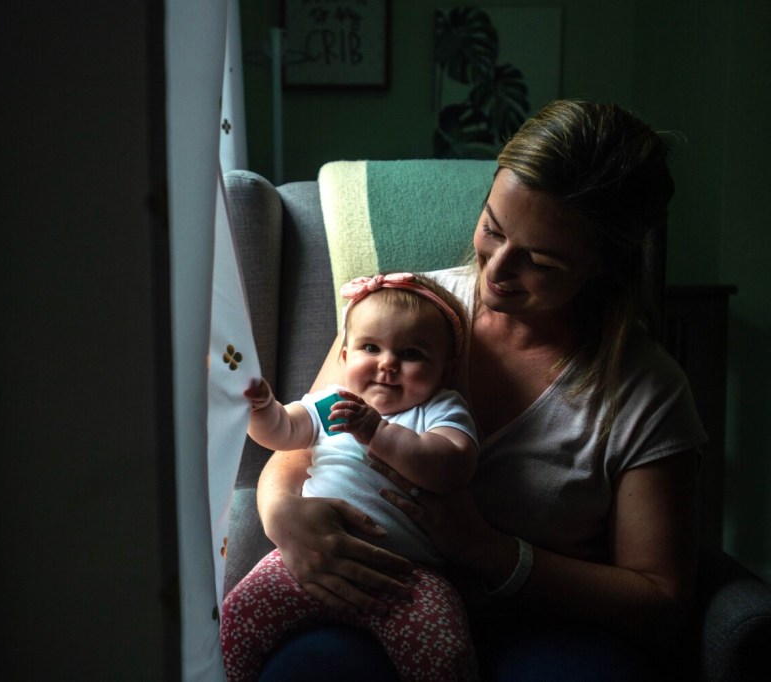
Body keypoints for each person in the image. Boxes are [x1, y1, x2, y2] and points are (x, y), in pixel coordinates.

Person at [253, 100, 705, 682]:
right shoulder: (403, 313)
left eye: (539, 261)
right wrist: (282, 514)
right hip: (380, 597)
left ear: (602, 266)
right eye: (493, 227)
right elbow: (306, 438)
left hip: (547, 630)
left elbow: (661, 601)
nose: (497, 270)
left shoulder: (646, 391)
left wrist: (486, 548)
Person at [221, 273, 480, 682]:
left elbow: (452, 465)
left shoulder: (440, 409)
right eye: (371, 348)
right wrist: (262, 408)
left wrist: (378, 432)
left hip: (404, 576)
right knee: (234, 619)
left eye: (411, 354)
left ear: (443, 371)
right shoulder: (333, 402)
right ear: (344, 357)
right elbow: (283, 432)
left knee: (445, 653)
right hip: (307, 558)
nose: (387, 363)